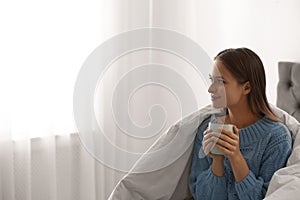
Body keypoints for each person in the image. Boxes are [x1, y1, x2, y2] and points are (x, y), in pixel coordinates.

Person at [189, 48, 292, 200]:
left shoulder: (277, 137)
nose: (210, 89)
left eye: (221, 82)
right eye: (212, 80)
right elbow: (201, 196)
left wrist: (235, 157)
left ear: (246, 88)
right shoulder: (207, 128)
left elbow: (264, 197)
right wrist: (217, 160)